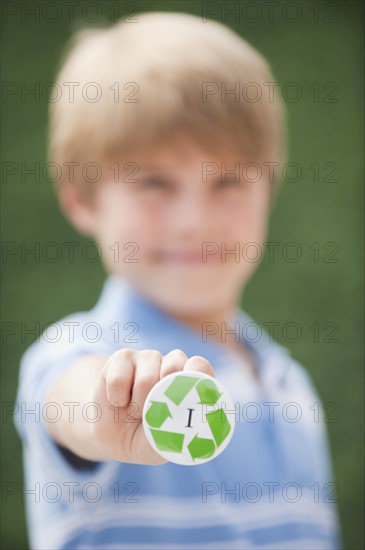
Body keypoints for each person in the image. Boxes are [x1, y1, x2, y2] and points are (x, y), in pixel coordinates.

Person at [14, 11, 341, 549]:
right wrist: (110, 405)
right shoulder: (78, 350)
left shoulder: (291, 385)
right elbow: (70, 400)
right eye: (154, 183)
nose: (194, 222)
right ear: (82, 199)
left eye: (229, 180)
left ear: (270, 189)